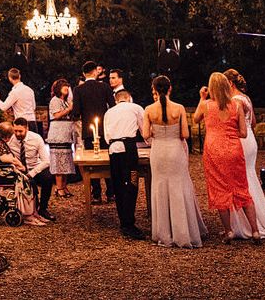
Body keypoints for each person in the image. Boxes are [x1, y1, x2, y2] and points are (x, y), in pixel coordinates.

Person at [194, 72, 261, 245]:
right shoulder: (236, 105)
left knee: (219, 190)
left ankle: (229, 231)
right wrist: (229, 132)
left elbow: (195, 119)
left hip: (213, 150)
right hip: (234, 150)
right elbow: (244, 133)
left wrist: (202, 97)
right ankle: (255, 231)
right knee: (242, 189)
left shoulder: (207, 105)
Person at [143, 76, 206, 247]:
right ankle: (183, 232)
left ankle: (164, 233)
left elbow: (145, 134)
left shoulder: (148, 109)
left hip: (159, 153)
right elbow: (185, 134)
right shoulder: (179, 108)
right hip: (175, 151)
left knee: (160, 188)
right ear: (170, 88)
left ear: (154, 89)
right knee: (179, 187)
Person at [224, 69, 265, 240]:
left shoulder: (234, 101)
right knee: (250, 178)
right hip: (251, 142)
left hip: (240, 141)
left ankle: (244, 226)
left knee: (239, 181)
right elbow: (253, 122)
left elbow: (232, 125)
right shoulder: (246, 98)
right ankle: (256, 223)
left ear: (230, 84)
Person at [103, 90, 146, 239]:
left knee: (118, 184)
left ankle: (124, 220)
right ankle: (129, 224)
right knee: (132, 183)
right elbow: (144, 130)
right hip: (128, 148)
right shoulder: (136, 108)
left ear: (116, 100)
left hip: (113, 149)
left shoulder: (109, 112)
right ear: (129, 98)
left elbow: (106, 135)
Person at [73, 60, 116, 203]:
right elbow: (113, 106)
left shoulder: (78, 90)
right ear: (95, 72)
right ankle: (111, 193)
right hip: (104, 129)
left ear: (84, 74)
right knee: (107, 161)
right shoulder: (105, 87)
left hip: (88, 131)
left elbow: (76, 112)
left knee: (92, 163)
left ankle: (96, 194)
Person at [0, 122, 46, 225]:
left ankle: (34, 212)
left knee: (29, 180)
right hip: (1, 170)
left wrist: (17, 163)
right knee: (26, 182)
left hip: (3, 168)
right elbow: (4, 158)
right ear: (6, 136)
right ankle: (28, 215)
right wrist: (18, 163)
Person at [9, 118, 55, 222]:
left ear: (27, 129)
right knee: (28, 182)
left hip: (34, 168)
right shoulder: (10, 139)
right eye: (15, 131)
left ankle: (43, 208)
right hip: (19, 169)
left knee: (48, 177)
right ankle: (31, 209)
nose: (17, 134)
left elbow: (46, 161)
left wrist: (32, 173)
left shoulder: (36, 138)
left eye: (20, 131)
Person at [47, 78, 75, 198]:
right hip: (57, 134)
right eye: (64, 86)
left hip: (66, 134)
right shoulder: (55, 100)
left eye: (67, 86)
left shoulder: (65, 101)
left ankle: (64, 186)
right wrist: (68, 109)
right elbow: (56, 115)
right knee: (59, 162)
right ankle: (59, 188)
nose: (66, 88)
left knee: (66, 161)